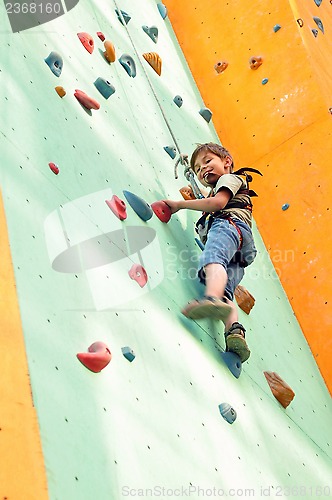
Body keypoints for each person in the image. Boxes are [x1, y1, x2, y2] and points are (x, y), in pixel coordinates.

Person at [163, 143, 259, 362]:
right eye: (198, 169)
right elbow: (210, 198)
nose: (203, 169)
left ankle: (211, 298)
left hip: (229, 226)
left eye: (208, 161)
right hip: (242, 249)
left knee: (213, 259)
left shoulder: (229, 179)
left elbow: (216, 203)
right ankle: (234, 331)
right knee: (227, 290)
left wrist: (180, 204)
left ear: (227, 162)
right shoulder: (225, 185)